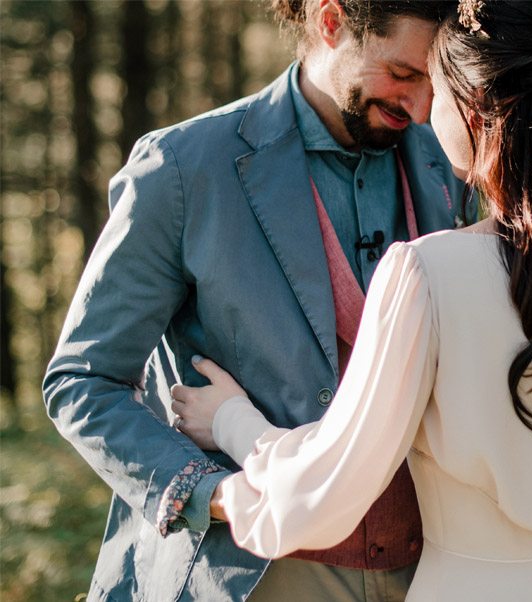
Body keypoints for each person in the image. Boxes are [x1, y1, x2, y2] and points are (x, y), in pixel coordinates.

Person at [173, 1, 532, 600]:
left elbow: (329, 488)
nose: (422, 112)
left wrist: (235, 425)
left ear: (476, 112)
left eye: (436, 90)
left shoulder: (426, 275)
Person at [42, 1, 466, 600]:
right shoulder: (183, 167)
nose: (420, 105)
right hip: (248, 571)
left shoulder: (448, 163)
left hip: (429, 571)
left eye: (433, 79)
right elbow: (83, 381)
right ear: (330, 21)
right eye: (401, 74)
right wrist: (207, 493)